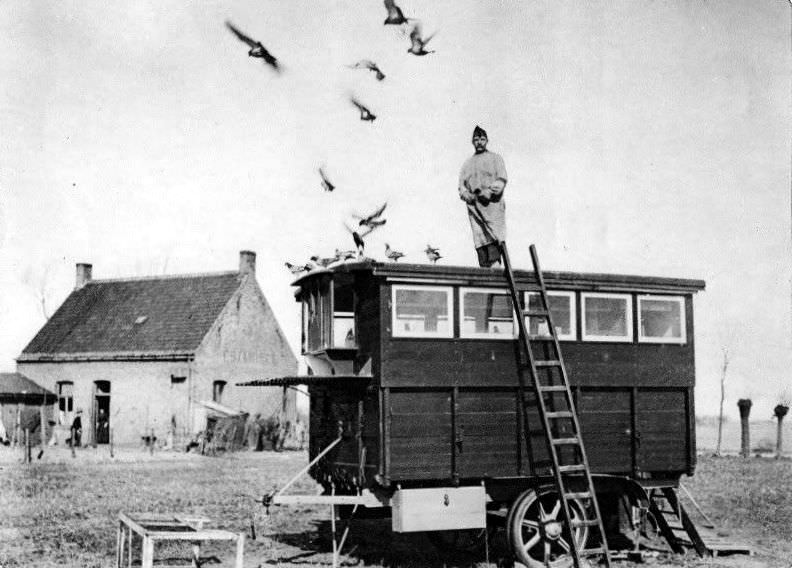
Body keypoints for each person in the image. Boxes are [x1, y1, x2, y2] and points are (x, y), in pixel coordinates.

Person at [458, 125, 508, 267]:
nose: (479, 142)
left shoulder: (495, 159)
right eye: (476, 139)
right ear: (472, 142)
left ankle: (497, 278)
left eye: (482, 139)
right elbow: (461, 187)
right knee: (481, 244)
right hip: (475, 210)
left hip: (492, 208)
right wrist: (468, 195)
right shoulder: (467, 164)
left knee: (494, 242)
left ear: (486, 140)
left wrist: (489, 192)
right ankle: (486, 278)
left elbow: (501, 179)